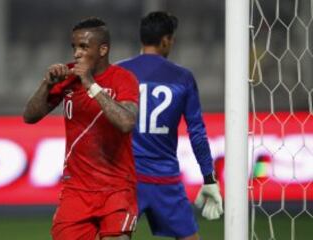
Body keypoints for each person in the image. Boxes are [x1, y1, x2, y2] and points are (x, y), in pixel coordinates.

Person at [23, 17, 139, 240]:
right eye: (74, 47)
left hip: (117, 188)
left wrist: (90, 84)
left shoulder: (123, 79)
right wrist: (46, 84)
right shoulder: (67, 77)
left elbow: (126, 123)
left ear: (103, 49)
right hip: (76, 190)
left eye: (84, 47)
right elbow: (30, 116)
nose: (76, 53)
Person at [118, 11, 223, 240]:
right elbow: (196, 133)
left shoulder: (118, 72)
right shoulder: (182, 77)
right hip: (165, 181)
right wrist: (209, 178)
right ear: (166, 40)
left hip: (125, 179)